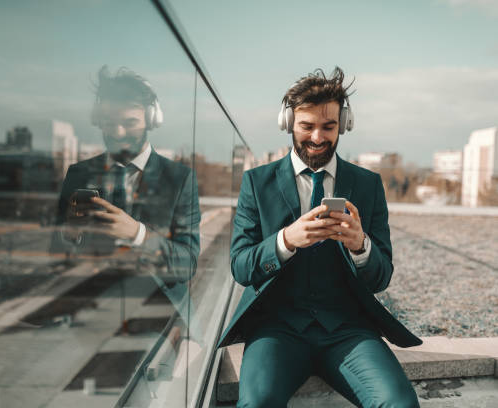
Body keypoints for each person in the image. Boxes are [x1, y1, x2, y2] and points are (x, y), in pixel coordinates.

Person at [217, 67, 421, 407]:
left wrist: (361, 245)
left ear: (344, 124)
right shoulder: (257, 183)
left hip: (347, 330)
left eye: (328, 127)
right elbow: (240, 267)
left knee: (399, 403)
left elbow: (381, 276)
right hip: (276, 330)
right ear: (288, 123)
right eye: (306, 126)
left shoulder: (368, 185)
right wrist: (286, 240)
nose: (317, 137)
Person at [53, 66, 201, 324]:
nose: (118, 132)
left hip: (153, 312)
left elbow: (187, 263)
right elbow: (54, 253)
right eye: (109, 123)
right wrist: (70, 235)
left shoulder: (179, 179)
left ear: (151, 119)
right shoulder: (78, 174)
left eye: (129, 122)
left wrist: (137, 234)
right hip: (86, 310)